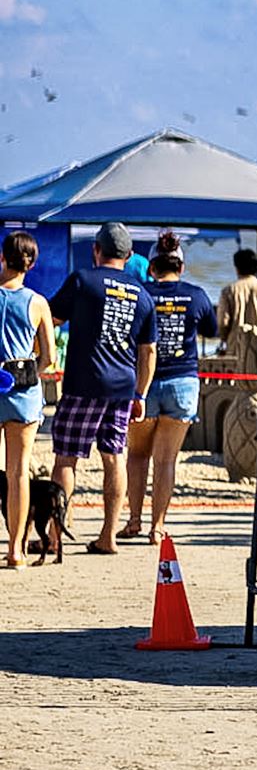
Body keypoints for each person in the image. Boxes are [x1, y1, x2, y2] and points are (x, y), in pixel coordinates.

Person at [47, 223, 157, 555]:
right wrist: (141, 393)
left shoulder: (82, 281)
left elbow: (49, 319)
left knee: (66, 459)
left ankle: (54, 537)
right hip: (123, 388)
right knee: (114, 458)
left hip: (83, 383)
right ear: (129, 256)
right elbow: (148, 351)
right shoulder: (142, 294)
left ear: (96, 250)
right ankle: (108, 536)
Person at [126, 232, 219, 542]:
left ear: (151, 267)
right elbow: (212, 329)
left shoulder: (141, 294)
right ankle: (158, 527)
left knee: (138, 455)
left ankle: (135, 520)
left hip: (145, 381)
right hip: (183, 382)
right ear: (182, 266)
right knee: (166, 460)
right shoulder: (197, 294)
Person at [2, 231, 59, 568]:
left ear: (2, 257)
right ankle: (15, 550)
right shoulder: (37, 302)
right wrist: (28, 371)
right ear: (31, 264)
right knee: (18, 473)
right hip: (23, 395)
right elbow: (50, 356)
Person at [215, 247, 257, 362]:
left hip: (235, 346)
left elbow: (223, 322)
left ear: (237, 268)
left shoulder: (229, 291)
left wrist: (224, 338)